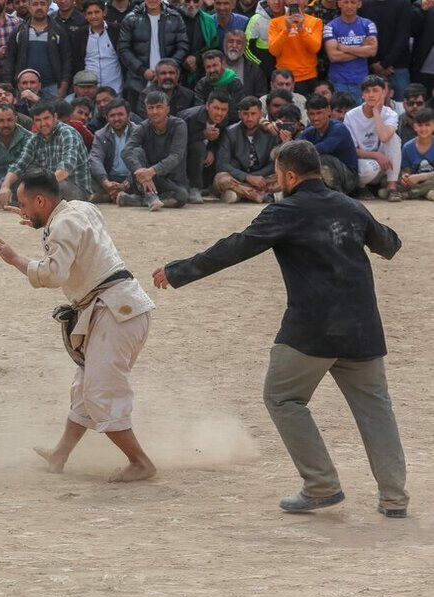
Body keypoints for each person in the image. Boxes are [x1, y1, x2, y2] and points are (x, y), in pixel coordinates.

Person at [153, 139, 409, 518]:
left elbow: (235, 247)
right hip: (363, 329)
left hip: (313, 330)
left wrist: (177, 272)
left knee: (282, 398)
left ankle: (321, 485)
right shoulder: (349, 205)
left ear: (289, 175)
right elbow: (389, 244)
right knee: (376, 411)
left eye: (277, 176)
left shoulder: (286, 211)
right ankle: (393, 499)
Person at [0, 169, 157, 482]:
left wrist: (14, 258)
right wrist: (42, 224)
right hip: (118, 306)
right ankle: (59, 455)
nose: (22, 209)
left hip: (116, 312)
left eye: (25, 204)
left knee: (100, 391)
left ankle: (141, 462)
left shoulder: (62, 224)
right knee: (84, 388)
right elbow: (71, 235)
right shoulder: (80, 208)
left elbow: (53, 275)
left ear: (41, 200)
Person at [0, 100, 91, 205]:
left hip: (74, 187)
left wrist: (41, 187)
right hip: (48, 185)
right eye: (38, 120)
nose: (43, 124)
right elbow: (19, 165)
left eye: (46, 118)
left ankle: (28, 203)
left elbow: (66, 169)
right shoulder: (35, 139)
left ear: (55, 117)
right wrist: (5, 186)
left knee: (58, 187)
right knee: (7, 182)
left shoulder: (67, 133)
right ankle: (30, 203)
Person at [119, 91, 189, 210]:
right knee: (136, 152)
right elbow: (126, 151)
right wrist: (140, 171)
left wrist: (152, 171)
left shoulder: (179, 125)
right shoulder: (143, 127)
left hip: (170, 179)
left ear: (167, 109)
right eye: (150, 108)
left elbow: (176, 155)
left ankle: (140, 200)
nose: (154, 111)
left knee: (182, 196)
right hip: (145, 179)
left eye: (159, 107)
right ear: (146, 110)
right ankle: (150, 197)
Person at [117, 0, 189, 111]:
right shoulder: (131, 19)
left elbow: (183, 46)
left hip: (169, 81)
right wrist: (143, 70)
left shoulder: (175, 17)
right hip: (139, 82)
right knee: (139, 123)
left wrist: (167, 69)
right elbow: (123, 49)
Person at [213, 95, 281, 202]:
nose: (249, 118)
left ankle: (240, 193)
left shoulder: (270, 134)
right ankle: (257, 195)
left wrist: (256, 177)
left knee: (283, 177)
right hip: (238, 177)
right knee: (221, 179)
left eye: (253, 114)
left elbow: (273, 164)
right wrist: (247, 177)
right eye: (245, 114)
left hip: (261, 178)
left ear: (261, 115)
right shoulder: (230, 132)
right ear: (240, 114)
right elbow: (222, 164)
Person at [344, 75, 401, 200]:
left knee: (394, 138)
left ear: (383, 93)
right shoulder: (351, 116)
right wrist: (376, 156)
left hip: (384, 164)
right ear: (362, 94)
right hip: (364, 162)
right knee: (370, 168)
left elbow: (385, 137)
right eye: (367, 91)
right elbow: (351, 150)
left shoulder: (390, 113)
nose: (371, 95)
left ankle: (392, 187)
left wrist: (376, 111)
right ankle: (361, 187)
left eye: (375, 90)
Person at [5, 0, 73, 100]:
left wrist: (63, 87)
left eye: (42, 3)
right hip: (24, 87)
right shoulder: (19, 31)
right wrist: (9, 86)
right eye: (35, 4)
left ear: (48, 5)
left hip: (52, 87)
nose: (39, 7)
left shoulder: (58, 31)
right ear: (28, 6)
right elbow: (10, 60)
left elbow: (67, 61)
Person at [178, 88, 232, 203]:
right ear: (207, 106)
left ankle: (207, 186)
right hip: (183, 154)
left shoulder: (225, 120)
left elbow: (220, 139)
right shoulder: (189, 117)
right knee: (198, 147)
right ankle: (194, 188)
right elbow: (178, 143)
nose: (219, 113)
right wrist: (202, 135)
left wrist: (212, 150)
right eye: (216, 108)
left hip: (205, 156)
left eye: (224, 110)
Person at [299, 92, 358, 194]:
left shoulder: (338, 128)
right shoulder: (310, 130)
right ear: (307, 114)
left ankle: (335, 193)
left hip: (348, 178)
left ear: (328, 111)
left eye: (319, 113)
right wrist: (288, 143)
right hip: (325, 174)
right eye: (312, 114)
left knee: (320, 158)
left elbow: (323, 149)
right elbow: (296, 147)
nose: (315, 118)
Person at [323, 0, 376, 104]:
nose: (349, 6)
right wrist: (362, 49)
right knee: (339, 116)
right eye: (346, 2)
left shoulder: (368, 25)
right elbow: (333, 56)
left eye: (353, 2)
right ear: (339, 3)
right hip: (338, 82)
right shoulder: (330, 27)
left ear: (359, 4)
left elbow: (372, 51)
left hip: (361, 81)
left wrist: (345, 48)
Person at [267, 0, 322, 96]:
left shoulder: (316, 22)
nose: (295, 1)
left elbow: (315, 48)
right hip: (284, 79)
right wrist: (286, 29)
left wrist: (301, 29)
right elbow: (273, 51)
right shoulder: (274, 22)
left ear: (306, 2)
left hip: (308, 77)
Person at [89, 97, 138, 203]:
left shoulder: (138, 132)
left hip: (132, 179)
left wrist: (126, 183)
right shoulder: (100, 134)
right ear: (106, 117)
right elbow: (95, 159)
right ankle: (114, 195)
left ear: (128, 116)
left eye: (120, 114)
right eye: (112, 115)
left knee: (146, 176)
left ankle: (110, 196)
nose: (116, 119)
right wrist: (105, 182)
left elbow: (141, 161)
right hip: (109, 179)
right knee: (87, 174)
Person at [73, 0, 122, 97]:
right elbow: (77, 61)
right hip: (89, 90)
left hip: (115, 88)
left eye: (97, 12)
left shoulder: (116, 30)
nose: (93, 16)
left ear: (104, 12)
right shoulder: (79, 35)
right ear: (85, 15)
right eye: (89, 13)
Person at [192, 49, 244, 121]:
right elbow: (198, 108)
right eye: (208, 67)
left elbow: (235, 111)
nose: (212, 70)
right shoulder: (202, 84)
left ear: (222, 64)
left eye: (215, 65)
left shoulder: (235, 83)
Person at [398, 108, 434, 201]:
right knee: (389, 183)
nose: (423, 129)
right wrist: (405, 176)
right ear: (415, 127)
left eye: (427, 125)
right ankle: (425, 192)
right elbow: (407, 170)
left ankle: (412, 193)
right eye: (420, 125)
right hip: (416, 182)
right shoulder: (407, 147)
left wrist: (420, 177)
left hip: (430, 179)